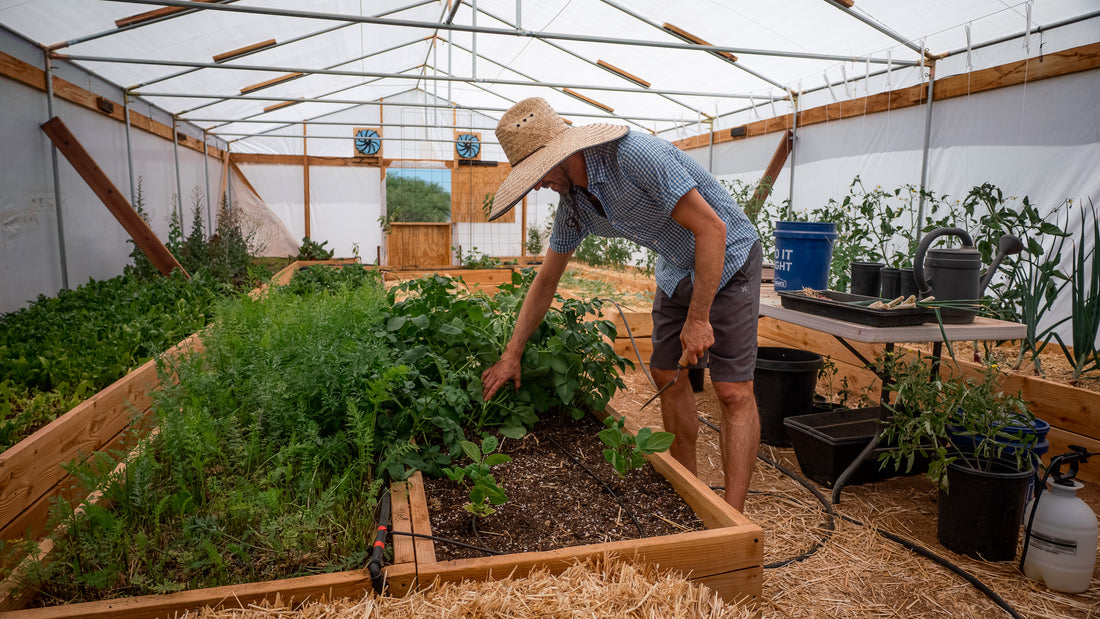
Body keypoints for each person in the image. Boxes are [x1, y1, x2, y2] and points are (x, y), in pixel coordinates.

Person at [479, 97, 762, 511]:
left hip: (728, 255)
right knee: (667, 372)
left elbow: (712, 229)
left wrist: (699, 318)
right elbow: (546, 279)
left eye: (537, 174)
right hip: (677, 268)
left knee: (732, 391)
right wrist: (511, 353)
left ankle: (733, 521)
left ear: (562, 154)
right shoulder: (575, 203)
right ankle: (691, 496)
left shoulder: (634, 157)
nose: (538, 185)